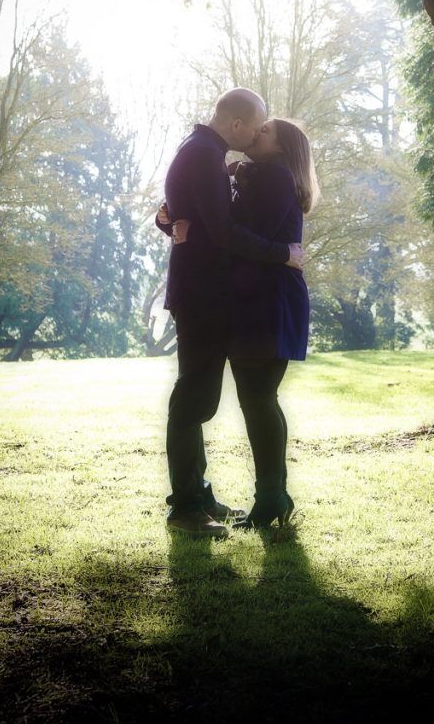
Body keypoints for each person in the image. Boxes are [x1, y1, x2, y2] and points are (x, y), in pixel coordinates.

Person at [156, 89, 304, 538]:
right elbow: (223, 230)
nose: (259, 132)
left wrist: (175, 220)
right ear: (238, 125)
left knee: (210, 398)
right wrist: (283, 253)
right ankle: (186, 506)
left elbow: (212, 217)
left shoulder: (210, 155)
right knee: (194, 398)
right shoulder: (204, 154)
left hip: (221, 299)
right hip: (203, 297)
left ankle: (199, 495)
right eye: (257, 125)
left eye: (267, 130)